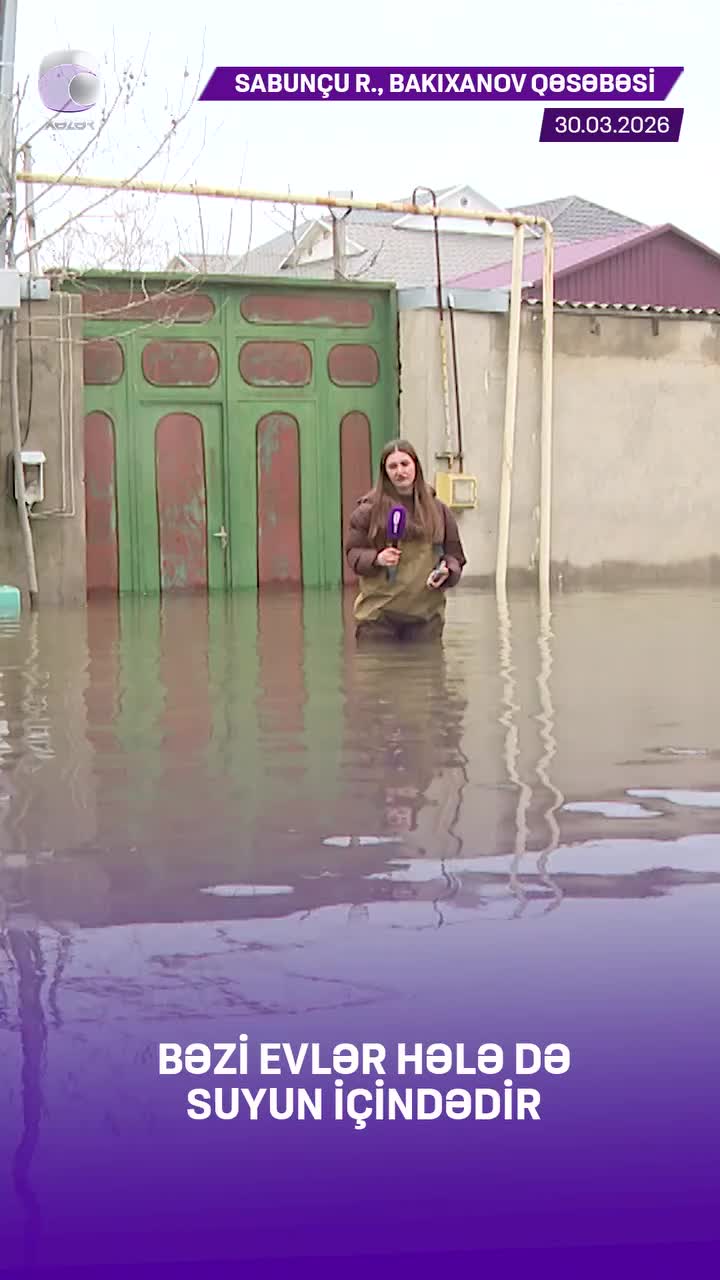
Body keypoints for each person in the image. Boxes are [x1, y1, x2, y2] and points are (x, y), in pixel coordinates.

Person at [344, 439, 466, 642]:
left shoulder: (439, 511)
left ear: (415, 466)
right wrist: (377, 559)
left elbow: (455, 556)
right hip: (378, 617)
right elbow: (353, 554)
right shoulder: (367, 512)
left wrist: (447, 570)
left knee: (425, 670)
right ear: (385, 472)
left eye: (405, 464)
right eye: (392, 466)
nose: (400, 471)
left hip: (426, 617)